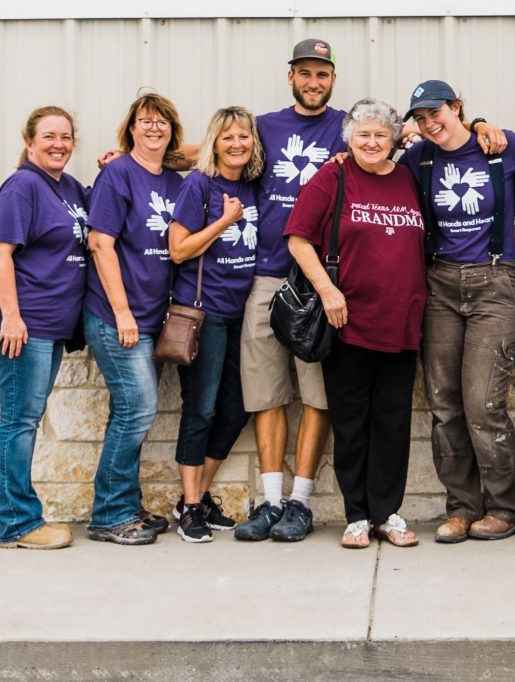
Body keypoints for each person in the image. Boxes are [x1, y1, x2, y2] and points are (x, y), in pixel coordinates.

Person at [399, 79, 515, 543]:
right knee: (445, 406)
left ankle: (506, 508)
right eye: (420, 119)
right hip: (439, 282)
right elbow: (372, 167)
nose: (428, 124)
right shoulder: (416, 157)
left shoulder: (501, 147)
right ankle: (462, 507)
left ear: (457, 108)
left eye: (435, 114)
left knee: (483, 403)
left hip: (496, 279)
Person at [285, 98, 426, 549]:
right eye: (363, 134)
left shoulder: (407, 178)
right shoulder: (334, 175)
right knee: (351, 421)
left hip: (402, 319)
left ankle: (388, 512)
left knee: (392, 421)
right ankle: (357, 515)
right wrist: (328, 291)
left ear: (395, 139)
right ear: (349, 138)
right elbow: (298, 239)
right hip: (347, 320)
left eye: (380, 135)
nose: (371, 142)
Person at [232, 39, 346, 542]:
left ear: (333, 79)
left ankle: (301, 503)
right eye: (305, 73)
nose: (314, 82)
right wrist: (136, 153)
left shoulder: (348, 127)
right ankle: (272, 500)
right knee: (265, 393)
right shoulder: (265, 127)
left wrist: (478, 126)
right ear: (291, 77)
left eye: (322, 74)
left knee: (317, 393)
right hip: (266, 276)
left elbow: (405, 137)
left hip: (322, 279)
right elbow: (217, 148)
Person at [0, 106, 88, 549]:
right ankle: (18, 524)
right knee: (19, 421)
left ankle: (21, 518)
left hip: (48, 323)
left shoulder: (67, 187)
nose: (58, 144)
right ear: (29, 142)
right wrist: (12, 316)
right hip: (22, 321)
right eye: (48, 136)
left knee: (27, 417)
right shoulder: (23, 185)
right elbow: (0, 252)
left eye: (65, 136)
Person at [84, 93, 184, 546]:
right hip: (116, 317)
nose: (154, 128)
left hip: (153, 318)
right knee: (138, 409)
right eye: (145, 121)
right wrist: (123, 312)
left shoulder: (175, 180)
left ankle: (123, 504)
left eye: (162, 122)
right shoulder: (118, 174)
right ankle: (110, 515)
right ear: (130, 128)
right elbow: (101, 244)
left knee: (128, 413)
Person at [167, 107, 262, 542]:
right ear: (214, 143)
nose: (237, 144)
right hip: (204, 314)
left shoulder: (255, 185)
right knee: (201, 409)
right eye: (227, 138)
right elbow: (179, 250)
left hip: (243, 314)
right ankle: (189, 507)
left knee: (237, 408)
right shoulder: (199, 185)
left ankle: (197, 495)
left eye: (244, 136)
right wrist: (224, 222)